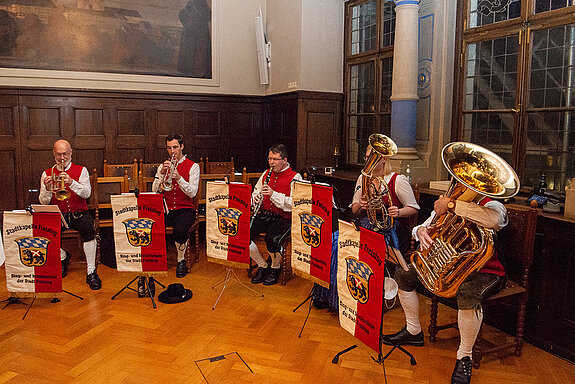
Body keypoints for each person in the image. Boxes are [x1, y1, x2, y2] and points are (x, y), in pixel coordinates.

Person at [382, 193, 508, 384]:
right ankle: (413, 331)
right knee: (403, 275)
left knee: (467, 293)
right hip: (450, 265)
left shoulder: (491, 205)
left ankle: (464, 357)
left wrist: (451, 205)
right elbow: (420, 227)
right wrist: (421, 232)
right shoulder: (449, 200)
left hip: (487, 271)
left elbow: (496, 220)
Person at [313, 143, 419, 309]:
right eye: (367, 157)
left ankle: (361, 298)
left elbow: (413, 208)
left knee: (361, 248)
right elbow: (354, 208)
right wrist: (361, 205)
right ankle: (331, 296)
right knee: (333, 243)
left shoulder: (397, 180)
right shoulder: (363, 178)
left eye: (371, 157)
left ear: (383, 159)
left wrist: (398, 211)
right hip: (366, 223)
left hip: (391, 229)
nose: (367, 161)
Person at [39, 139, 101, 290]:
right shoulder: (47, 174)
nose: (62, 158)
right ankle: (63, 257)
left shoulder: (82, 171)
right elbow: (43, 202)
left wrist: (71, 182)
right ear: (53, 154)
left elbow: (87, 194)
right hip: (58, 215)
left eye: (65, 154)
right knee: (45, 233)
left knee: (88, 230)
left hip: (79, 213)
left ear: (71, 152)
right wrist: (47, 189)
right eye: (59, 154)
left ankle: (91, 271)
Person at [249, 144, 302, 286]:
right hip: (265, 214)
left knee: (272, 240)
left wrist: (273, 195)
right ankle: (263, 265)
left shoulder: (295, 177)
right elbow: (256, 192)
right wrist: (254, 199)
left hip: (283, 218)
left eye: (275, 159)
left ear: (284, 160)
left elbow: (296, 203)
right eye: (269, 158)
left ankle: (275, 267)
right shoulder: (266, 174)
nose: (271, 162)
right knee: (242, 233)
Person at [152, 134, 200, 281]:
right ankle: (156, 260)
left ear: (182, 147)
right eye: (169, 148)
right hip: (167, 208)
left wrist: (179, 178)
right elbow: (155, 191)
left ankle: (181, 261)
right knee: (151, 226)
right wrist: (161, 174)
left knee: (180, 229)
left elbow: (192, 192)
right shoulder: (162, 166)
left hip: (185, 208)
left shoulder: (193, 166)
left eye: (175, 147)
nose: (172, 151)